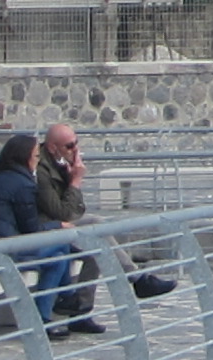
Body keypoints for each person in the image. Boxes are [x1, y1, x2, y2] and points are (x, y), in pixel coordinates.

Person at [0, 132, 98, 340]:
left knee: (58, 257)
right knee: (61, 247)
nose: (38, 160)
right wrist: (58, 225)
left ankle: (46, 316)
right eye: (35, 156)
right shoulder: (23, 184)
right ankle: (61, 303)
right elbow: (31, 231)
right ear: (24, 158)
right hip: (1, 250)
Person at [35, 124, 177, 306]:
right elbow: (64, 213)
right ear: (53, 147)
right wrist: (76, 181)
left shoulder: (58, 163)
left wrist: (70, 177)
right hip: (43, 228)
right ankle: (137, 279)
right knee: (96, 234)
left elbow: (76, 209)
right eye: (69, 146)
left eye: (76, 143)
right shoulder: (41, 170)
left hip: (57, 224)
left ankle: (82, 310)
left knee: (98, 234)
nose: (75, 150)